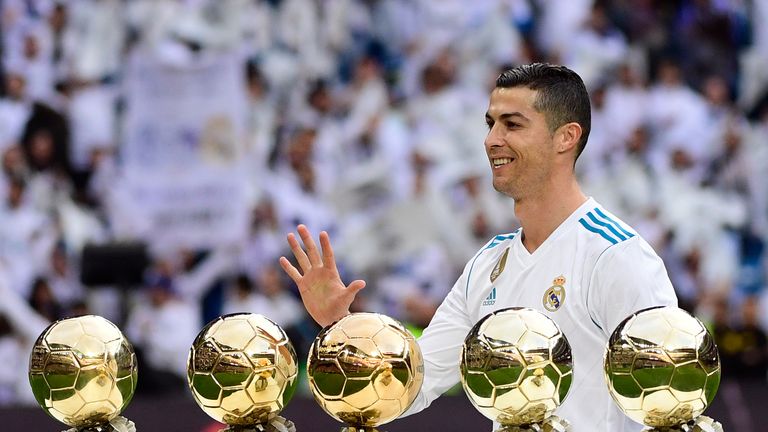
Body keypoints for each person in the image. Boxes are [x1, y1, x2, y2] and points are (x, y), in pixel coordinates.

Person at [279, 63, 677, 431]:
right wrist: (340, 326)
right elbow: (414, 381)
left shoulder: (617, 256)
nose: (492, 140)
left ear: (566, 138)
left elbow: (672, 401)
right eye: (490, 124)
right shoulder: (487, 264)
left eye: (512, 124)